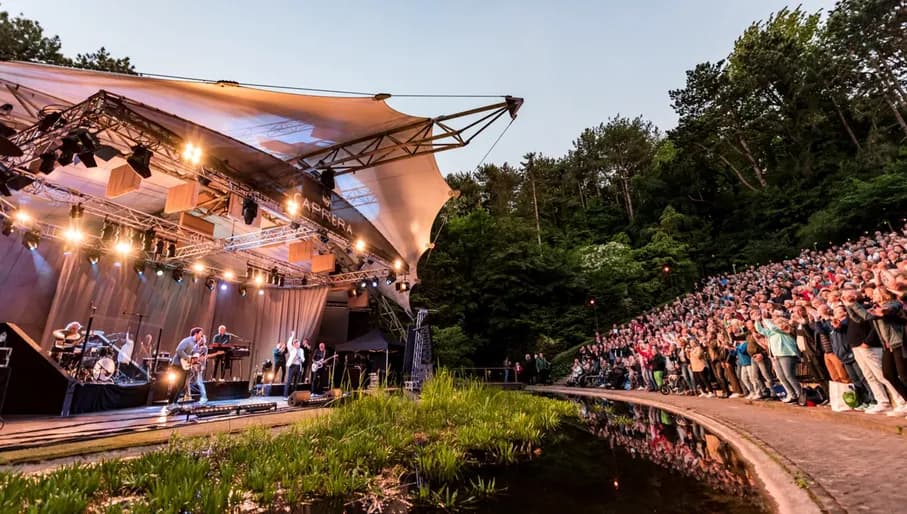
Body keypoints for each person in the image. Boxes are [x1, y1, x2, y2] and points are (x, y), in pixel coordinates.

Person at [167, 327, 204, 408]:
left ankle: (174, 402)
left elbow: (193, 355)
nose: (201, 336)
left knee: (182, 385)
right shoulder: (187, 340)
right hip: (177, 365)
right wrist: (188, 358)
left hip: (185, 366)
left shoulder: (195, 344)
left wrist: (196, 360)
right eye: (200, 334)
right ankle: (170, 403)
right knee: (177, 384)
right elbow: (179, 350)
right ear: (196, 334)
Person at [189, 334, 209, 403]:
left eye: (203, 339)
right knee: (190, 380)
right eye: (200, 339)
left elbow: (201, 357)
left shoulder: (204, 348)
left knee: (199, 382)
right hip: (193, 365)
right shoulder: (195, 346)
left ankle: (204, 397)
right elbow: (192, 353)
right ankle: (189, 395)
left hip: (199, 366)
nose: (201, 340)